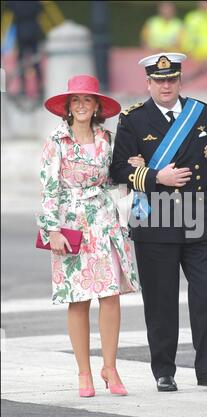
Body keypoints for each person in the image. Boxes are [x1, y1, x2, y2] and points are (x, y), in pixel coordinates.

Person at [110, 52, 207, 392]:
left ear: (180, 80)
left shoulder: (200, 113)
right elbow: (118, 170)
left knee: (204, 297)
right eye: (159, 80)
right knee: (161, 300)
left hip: (198, 217)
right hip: (155, 217)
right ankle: (164, 371)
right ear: (149, 83)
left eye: (171, 79)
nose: (166, 85)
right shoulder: (133, 119)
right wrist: (158, 176)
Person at [37, 74, 143, 397]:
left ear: (97, 106)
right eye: (76, 101)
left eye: (87, 100)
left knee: (110, 296)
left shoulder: (107, 139)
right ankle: (84, 372)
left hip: (105, 222)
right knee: (79, 299)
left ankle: (110, 366)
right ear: (68, 107)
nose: (82, 106)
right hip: (70, 226)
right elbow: (48, 188)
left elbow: (116, 179)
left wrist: (133, 166)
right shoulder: (56, 142)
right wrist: (52, 229)